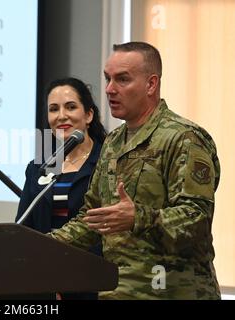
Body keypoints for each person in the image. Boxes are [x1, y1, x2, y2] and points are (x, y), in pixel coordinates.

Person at [50, 42, 221, 300]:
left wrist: (138, 217)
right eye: (107, 79)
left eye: (122, 79)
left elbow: (196, 218)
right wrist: (43, 245)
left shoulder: (183, 138)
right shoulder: (113, 142)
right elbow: (93, 217)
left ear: (151, 84)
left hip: (173, 293)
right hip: (117, 292)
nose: (109, 89)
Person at [15, 77, 107, 299]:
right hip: (45, 282)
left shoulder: (108, 160)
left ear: (89, 115)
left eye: (71, 107)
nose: (61, 116)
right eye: (53, 109)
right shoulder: (39, 165)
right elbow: (25, 227)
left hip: (94, 281)